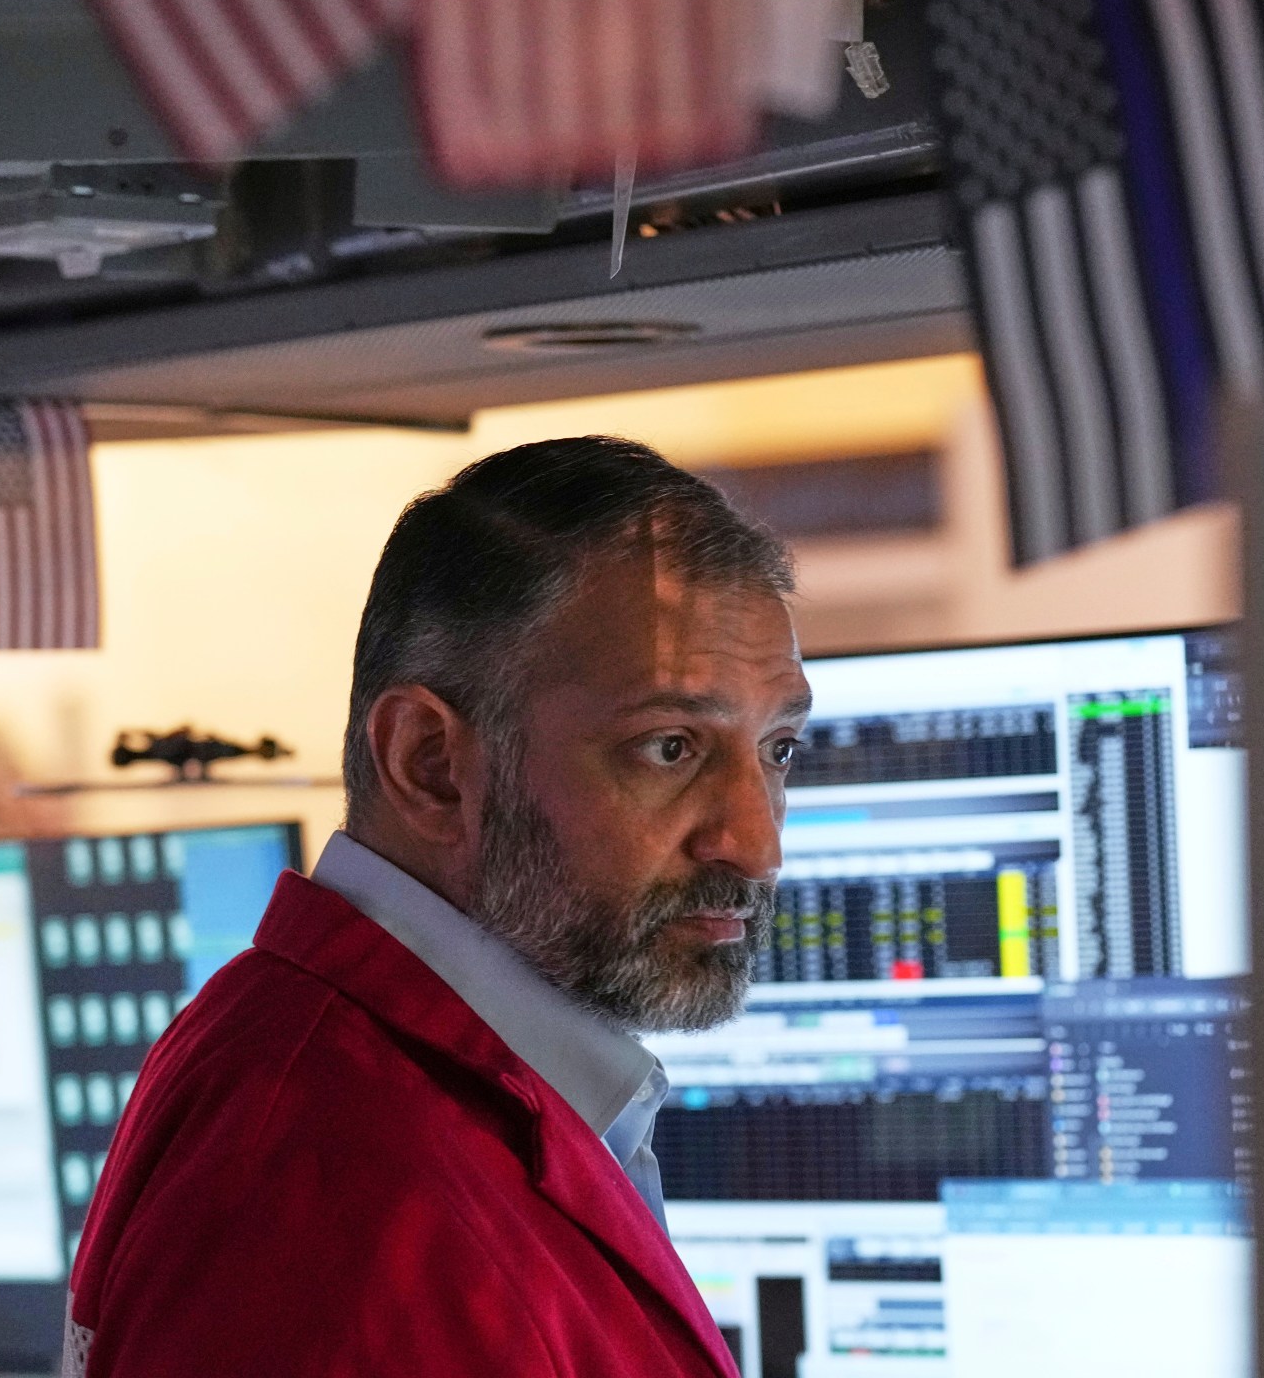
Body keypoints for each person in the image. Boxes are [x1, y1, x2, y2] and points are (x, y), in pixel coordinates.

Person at [65, 436, 810, 1377]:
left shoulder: (352, 1070)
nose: (755, 844)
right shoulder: (343, 1196)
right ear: (430, 765)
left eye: (778, 751)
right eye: (668, 748)